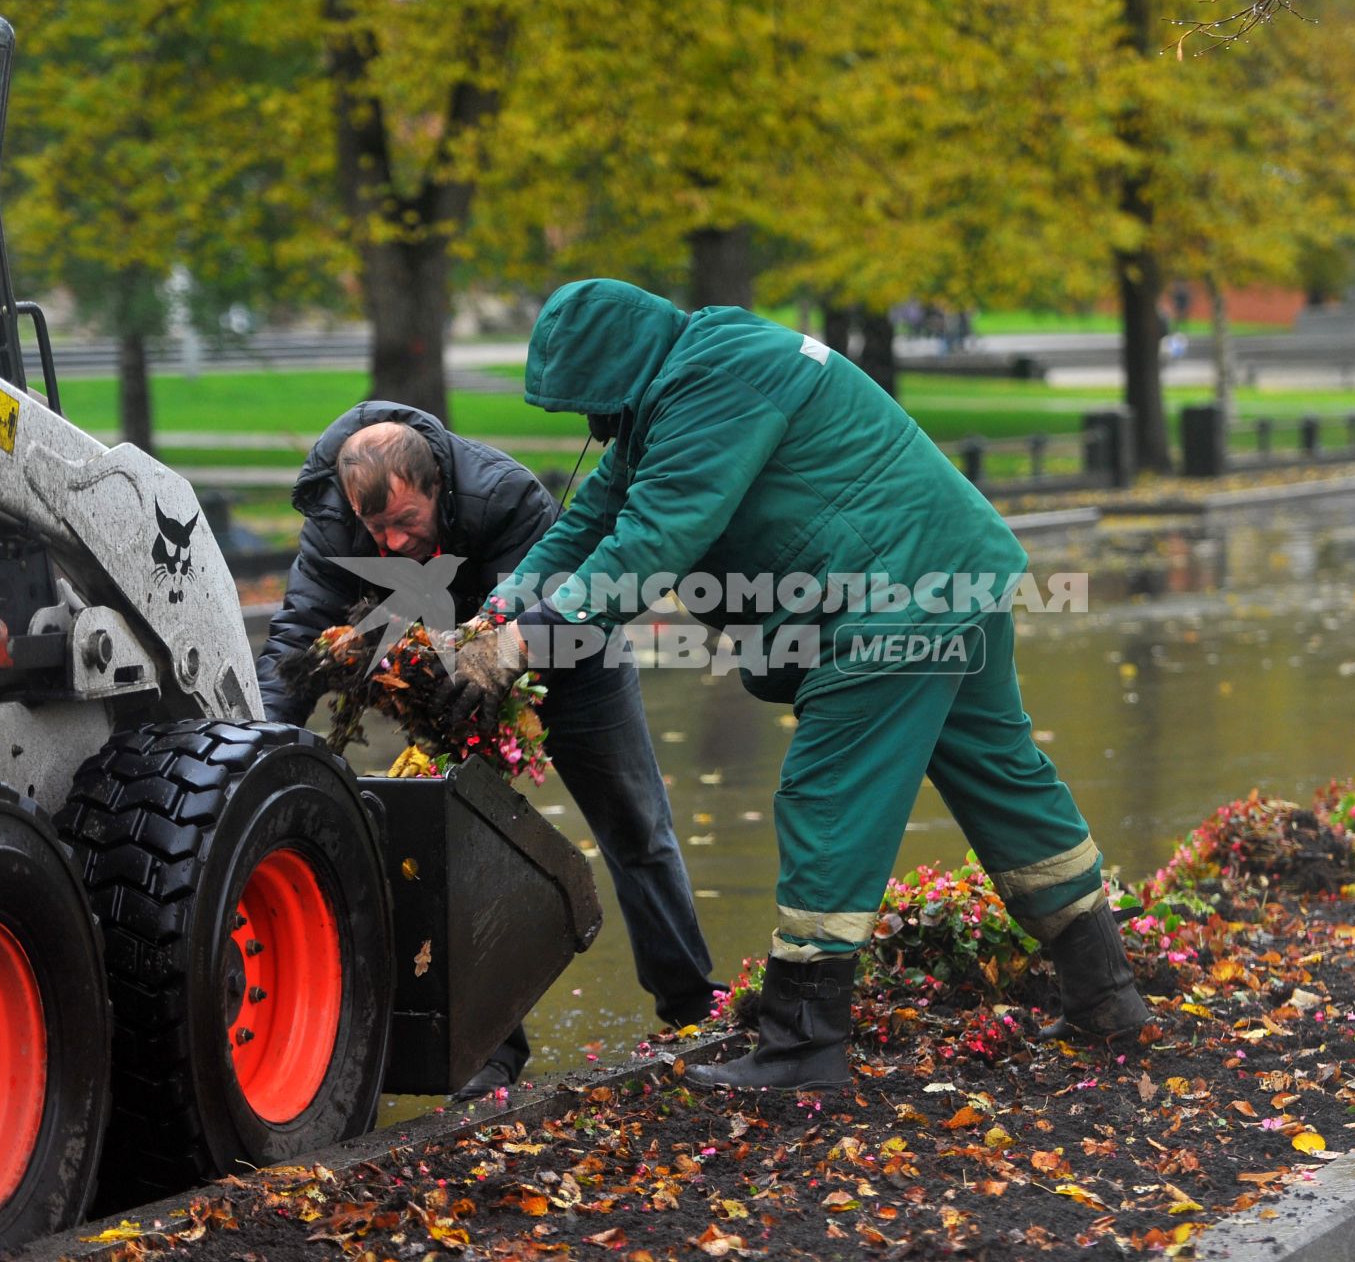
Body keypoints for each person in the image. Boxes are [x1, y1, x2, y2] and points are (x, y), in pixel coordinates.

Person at [434, 279, 1150, 1091]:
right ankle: (1107, 996)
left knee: (827, 797)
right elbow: (589, 520)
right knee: (1006, 783)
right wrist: (492, 618)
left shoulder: (714, 385)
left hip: (891, 601)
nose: (592, 427)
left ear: (619, 371)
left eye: (593, 404)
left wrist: (527, 642)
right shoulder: (686, 374)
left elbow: (652, 540)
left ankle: (803, 1045)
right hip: (950, 572)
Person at [256, 402, 722, 1101]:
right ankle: (491, 1051)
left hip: (568, 651)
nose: (388, 547)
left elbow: (542, 602)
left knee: (637, 825)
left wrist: (496, 660)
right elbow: (299, 630)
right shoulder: (333, 520)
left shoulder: (502, 494)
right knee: (451, 845)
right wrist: (263, 736)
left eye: (406, 525)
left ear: (438, 486)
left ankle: (689, 1003)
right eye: (373, 530)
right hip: (448, 677)